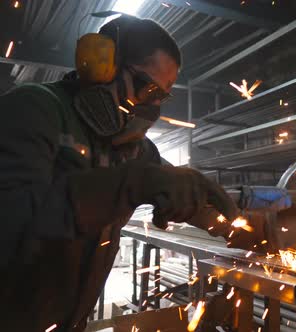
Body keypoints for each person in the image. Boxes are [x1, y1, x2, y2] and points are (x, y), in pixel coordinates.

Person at [0, 16, 240, 331]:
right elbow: (13, 221)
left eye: (161, 96)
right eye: (147, 88)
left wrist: (252, 227)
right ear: (103, 67)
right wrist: (130, 184)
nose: (152, 106)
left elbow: (192, 199)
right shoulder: (35, 109)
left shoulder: (138, 150)